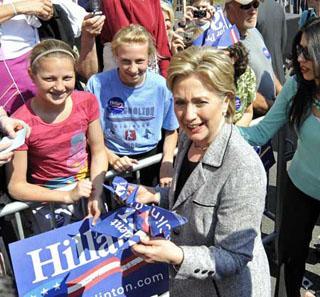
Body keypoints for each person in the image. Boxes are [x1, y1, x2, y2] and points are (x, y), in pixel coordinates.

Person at [131, 46, 271, 297]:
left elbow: (234, 256)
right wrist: (154, 195)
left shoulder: (243, 168)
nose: (188, 115)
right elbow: (188, 197)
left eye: (200, 102)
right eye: (180, 102)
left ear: (226, 99)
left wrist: (178, 255)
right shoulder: (189, 139)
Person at [237, 18, 320, 297]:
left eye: (307, 53)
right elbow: (261, 132)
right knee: (289, 258)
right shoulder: (297, 86)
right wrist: (216, 130)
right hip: (299, 188)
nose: (299, 59)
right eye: (298, 51)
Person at [6, 39, 107, 232]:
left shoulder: (87, 101)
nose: (60, 87)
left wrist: (96, 192)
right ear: (32, 76)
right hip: (49, 206)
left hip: (88, 191)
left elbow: (98, 151)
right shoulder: (21, 121)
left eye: (67, 78)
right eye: (50, 79)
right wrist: (67, 196)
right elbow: (16, 186)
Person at [87, 24, 178, 188]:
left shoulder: (161, 86)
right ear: (115, 56)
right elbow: (90, 131)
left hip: (151, 159)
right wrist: (111, 158)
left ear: (149, 57)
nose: (133, 69)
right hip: (111, 160)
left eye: (140, 61)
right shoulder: (97, 84)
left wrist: (167, 161)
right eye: (126, 61)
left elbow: (171, 130)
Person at [0, 0, 105, 114]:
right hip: (12, 73)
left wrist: (49, 13)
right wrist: (17, 8)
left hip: (44, 62)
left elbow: (88, 72)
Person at [224, 0, 282, 117]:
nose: (253, 11)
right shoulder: (226, 44)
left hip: (271, 115)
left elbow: (267, 67)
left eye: (256, 5)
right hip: (252, 122)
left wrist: (282, 94)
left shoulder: (254, 31)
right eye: (246, 6)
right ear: (229, 8)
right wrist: (273, 107)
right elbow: (239, 91)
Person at [100, 0, 171, 76]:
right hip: (119, 70)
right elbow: (123, 38)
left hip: (150, 71)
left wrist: (166, 78)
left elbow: (162, 44)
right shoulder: (111, 2)